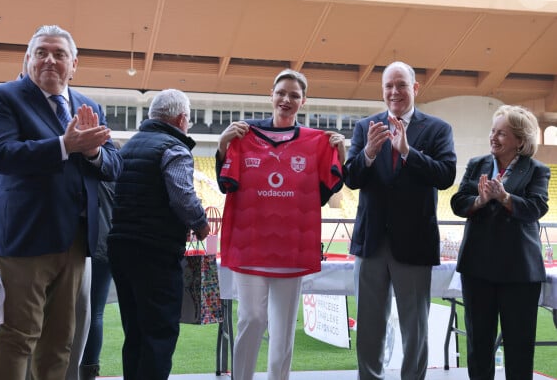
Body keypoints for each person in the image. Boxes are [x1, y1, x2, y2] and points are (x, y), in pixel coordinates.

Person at [0, 24, 123, 380]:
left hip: (74, 240)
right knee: (19, 335)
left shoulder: (89, 105)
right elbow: (0, 155)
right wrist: (64, 145)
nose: (49, 59)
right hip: (24, 237)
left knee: (61, 340)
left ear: (74, 63)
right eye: (41, 52)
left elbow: (114, 165)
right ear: (27, 59)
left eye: (59, 54)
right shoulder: (1, 98)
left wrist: (92, 153)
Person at [216, 68, 345, 380]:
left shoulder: (316, 142)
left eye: (294, 95)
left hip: (291, 249)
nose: (287, 99)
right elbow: (225, 185)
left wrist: (341, 154)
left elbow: (327, 192)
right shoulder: (243, 136)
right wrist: (222, 146)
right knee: (251, 319)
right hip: (249, 247)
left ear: (303, 102)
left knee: (283, 329)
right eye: (282, 93)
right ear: (271, 96)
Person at [344, 61, 457, 380]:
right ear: (382, 91)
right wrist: (367, 153)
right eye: (388, 86)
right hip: (371, 242)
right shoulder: (365, 127)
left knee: (415, 328)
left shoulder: (437, 129)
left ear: (415, 88)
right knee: (368, 327)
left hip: (414, 242)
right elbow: (350, 179)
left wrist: (408, 152)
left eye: (401, 85)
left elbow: (446, 176)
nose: (394, 92)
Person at [107, 88, 211, 380]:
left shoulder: (127, 147)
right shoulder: (174, 148)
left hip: (120, 245)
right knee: (159, 333)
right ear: (181, 119)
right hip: (155, 250)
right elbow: (182, 197)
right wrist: (202, 225)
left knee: (135, 332)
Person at [450, 104, 550, 380]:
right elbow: (458, 202)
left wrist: (505, 198)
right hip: (477, 268)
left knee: (519, 346)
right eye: (493, 131)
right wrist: (479, 200)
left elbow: (536, 208)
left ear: (520, 140)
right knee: (479, 345)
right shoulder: (477, 164)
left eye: (502, 133)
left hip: (519, 272)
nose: (493, 137)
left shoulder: (537, 170)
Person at [80, 143, 120, 380]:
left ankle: (83, 368)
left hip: (91, 246)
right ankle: (89, 370)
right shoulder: (116, 168)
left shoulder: (89, 169)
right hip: (107, 245)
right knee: (94, 312)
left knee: (89, 312)